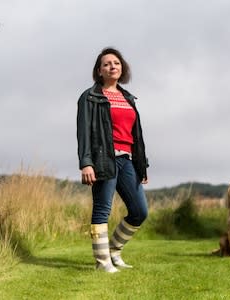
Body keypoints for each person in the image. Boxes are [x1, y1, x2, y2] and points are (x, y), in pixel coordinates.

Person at [76, 47, 149, 273]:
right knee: (102, 209)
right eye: (107, 64)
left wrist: (141, 164)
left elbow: (136, 134)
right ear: (99, 71)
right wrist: (86, 162)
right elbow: (84, 132)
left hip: (127, 159)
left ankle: (114, 251)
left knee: (139, 211)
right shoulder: (90, 97)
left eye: (116, 63)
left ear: (122, 67)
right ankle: (102, 262)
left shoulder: (128, 98)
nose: (112, 66)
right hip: (102, 159)